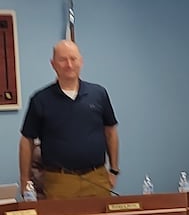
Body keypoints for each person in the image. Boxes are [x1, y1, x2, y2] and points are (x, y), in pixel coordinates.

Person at [19, 40, 119, 200]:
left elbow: (111, 132)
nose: (69, 65)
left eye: (73, 59)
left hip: (97, 178)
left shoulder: (99, 94)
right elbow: (27, 140)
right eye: (63, 59)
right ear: (53, 64)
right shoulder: (40, 99)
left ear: (81, 61)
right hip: (59, 181)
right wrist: (25, 180)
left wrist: (114, 170)